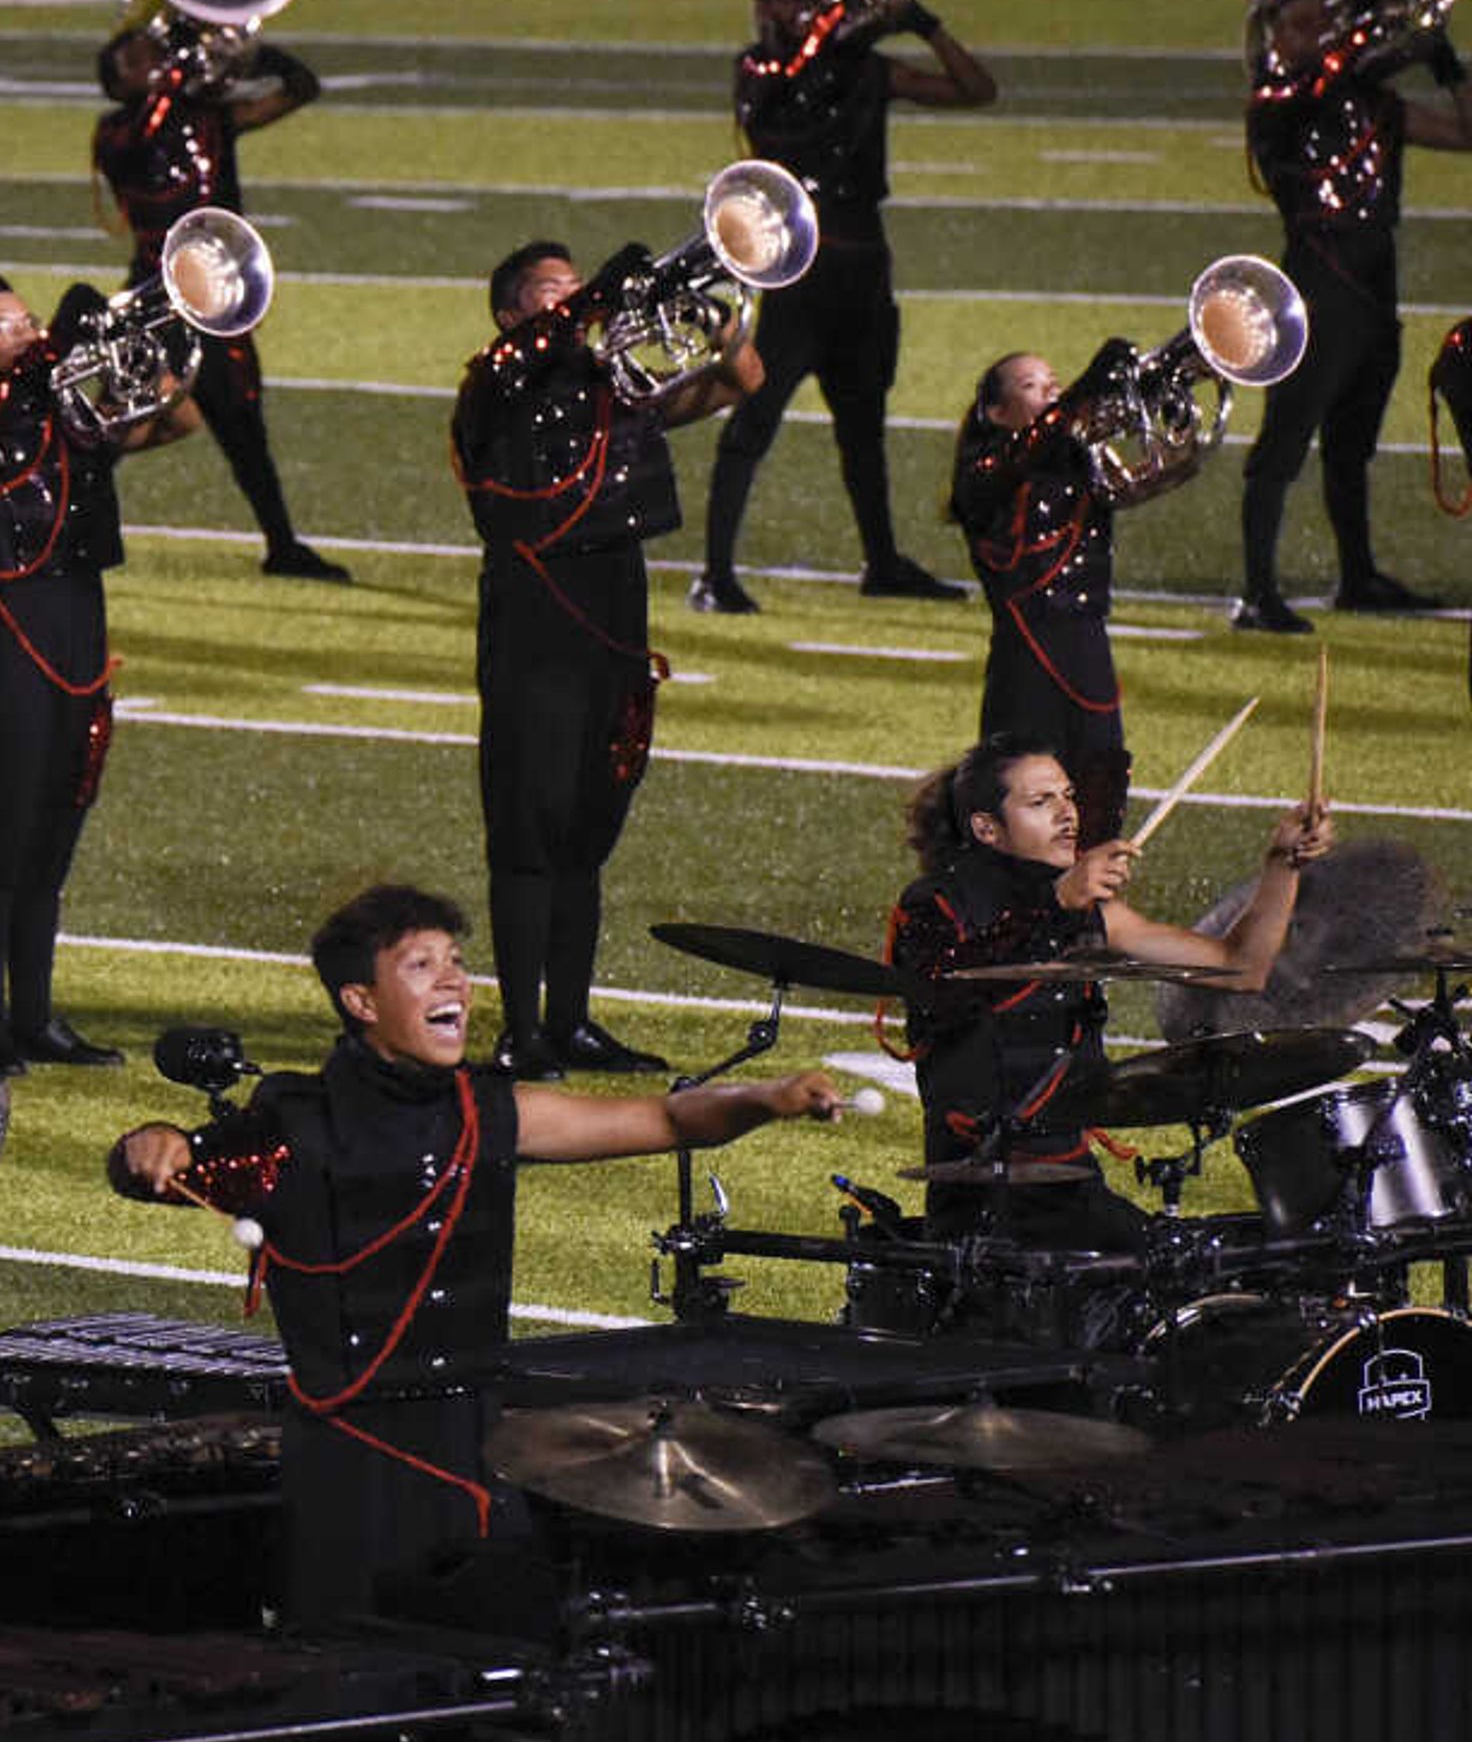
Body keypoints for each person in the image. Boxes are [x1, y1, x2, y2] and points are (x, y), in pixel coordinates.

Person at [107, 884, 846, 1624]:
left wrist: (765, 1097)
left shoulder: (487, 1111)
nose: (455, 979)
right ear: (362, 1002)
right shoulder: (295, 1126)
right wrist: (151, 1145)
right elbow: (174, 1161)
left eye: (456, 961)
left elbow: (662, 1116)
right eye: (422, 965)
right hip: (354, 1464)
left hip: (484, 1444)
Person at [451, 239, 761, 1079]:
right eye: (555, 291)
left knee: (588, 833)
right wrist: (588, 304)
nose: (581, 300)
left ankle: (571, 1021)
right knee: (528, 834)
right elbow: (517, 373)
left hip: (614, 624)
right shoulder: (492, 385)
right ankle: (520, 1029)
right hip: (533, 630)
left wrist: (711, 316)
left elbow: (745, 380)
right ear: (514, 313)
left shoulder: (611, 389)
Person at [0, 272, 210, 1070]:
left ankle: (38, 1016)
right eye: (4, 325)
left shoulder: (70, 410)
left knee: (55, 826)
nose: (23, 332)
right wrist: (58, 346)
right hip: (8, 628)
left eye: (28, 320)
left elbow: (180, 417)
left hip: (80, 618)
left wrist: (153, 346)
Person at [884, 736, 1332, 1243]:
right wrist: (1056, 900)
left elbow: (1240, 966)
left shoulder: (1089, 913)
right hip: (973, 1198)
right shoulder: (934, 904)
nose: (1066, 813)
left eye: (1067, 795)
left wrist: (1281, 865)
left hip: (1068, 1185)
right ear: (987, 828)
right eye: (1040, 802)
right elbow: (952, 986)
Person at [692, 0, 995, 615]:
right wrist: (836, 30)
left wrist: (924, 23)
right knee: (756, 415)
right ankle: (714, 573)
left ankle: (882, 562)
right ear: (764, 5)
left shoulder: (865, 68)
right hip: (800, 277)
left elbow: (978, 90)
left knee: (864, 424)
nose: (799, 5)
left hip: (864, 267)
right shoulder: (758, 69)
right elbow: (779, 123)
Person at [1234, 0, 1472, 630]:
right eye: (1300, 25)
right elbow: (1318, 86)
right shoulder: (1277, 101)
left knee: (1351, 442)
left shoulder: (1374, 101)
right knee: (1286, 437)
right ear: (1274, 36)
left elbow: (1468, 132)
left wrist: (1445, 60)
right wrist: (1386, 40)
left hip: (1374, 280)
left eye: (1322, 24)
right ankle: (1258, 592)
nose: (1316, 35)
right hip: (1317, 279)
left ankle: (1358, 575)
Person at [88, 16, 345, 582]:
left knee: (243, 421)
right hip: (154, 292)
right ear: (117, 83)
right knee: (118, 416)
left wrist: (256, 56)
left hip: (216, 290)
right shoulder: (115, 133)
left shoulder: (208, 118)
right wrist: (182, 70)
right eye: (134, 58)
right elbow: (151, 128)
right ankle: (69, 517)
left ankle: (282, 545)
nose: (151, 58)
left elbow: (302, 88)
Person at [948, 346, 1146, 842]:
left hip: (1089, 650)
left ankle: (1091, 910)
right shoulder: (983, 471)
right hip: (1028, 660)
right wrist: (1084, 391)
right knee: (1015, 802)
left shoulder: (1077, 458)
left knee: (1100, 799)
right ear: (996, 412)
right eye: (1032, 386)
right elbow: (1026, 450)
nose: (1050, 392)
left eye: (1053, 383)